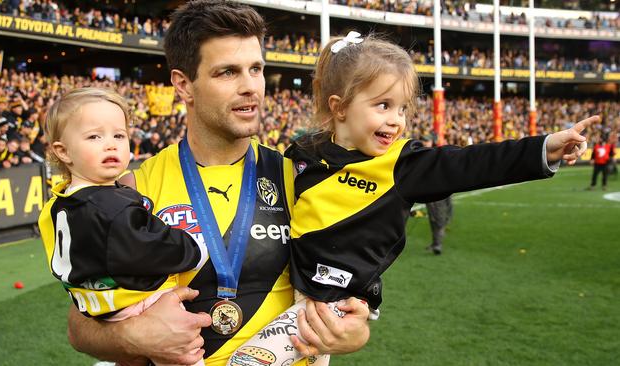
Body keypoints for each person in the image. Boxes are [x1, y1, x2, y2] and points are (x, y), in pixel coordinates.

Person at [227, 32, 597, 366]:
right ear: (339, 107)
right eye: (383, 105)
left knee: (246, 362)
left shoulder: (402, 165)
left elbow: (473, 164)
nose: (397, 120)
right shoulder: (302, 153)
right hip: (292, 292)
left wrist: (545, 147)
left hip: (334, 304)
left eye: (402, 108)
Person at [66, 2, 370, 366]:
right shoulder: (133, 190)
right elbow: (81, 326)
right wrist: (134, 335)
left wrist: (354, 331)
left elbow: (345, 293)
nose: (250, 87)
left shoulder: (298, 178)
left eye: (255, 69)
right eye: (227, 72)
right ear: (183, 85)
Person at [38, 87, 209, 366]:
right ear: (63, 151)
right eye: (94, 136)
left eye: (119, 135)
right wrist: (192, 249)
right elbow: (149, 250)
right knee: (185, 355)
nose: (110, 144)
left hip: (99, 307)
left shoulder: (58, 203)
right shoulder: (110, 207)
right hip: (138, 304)